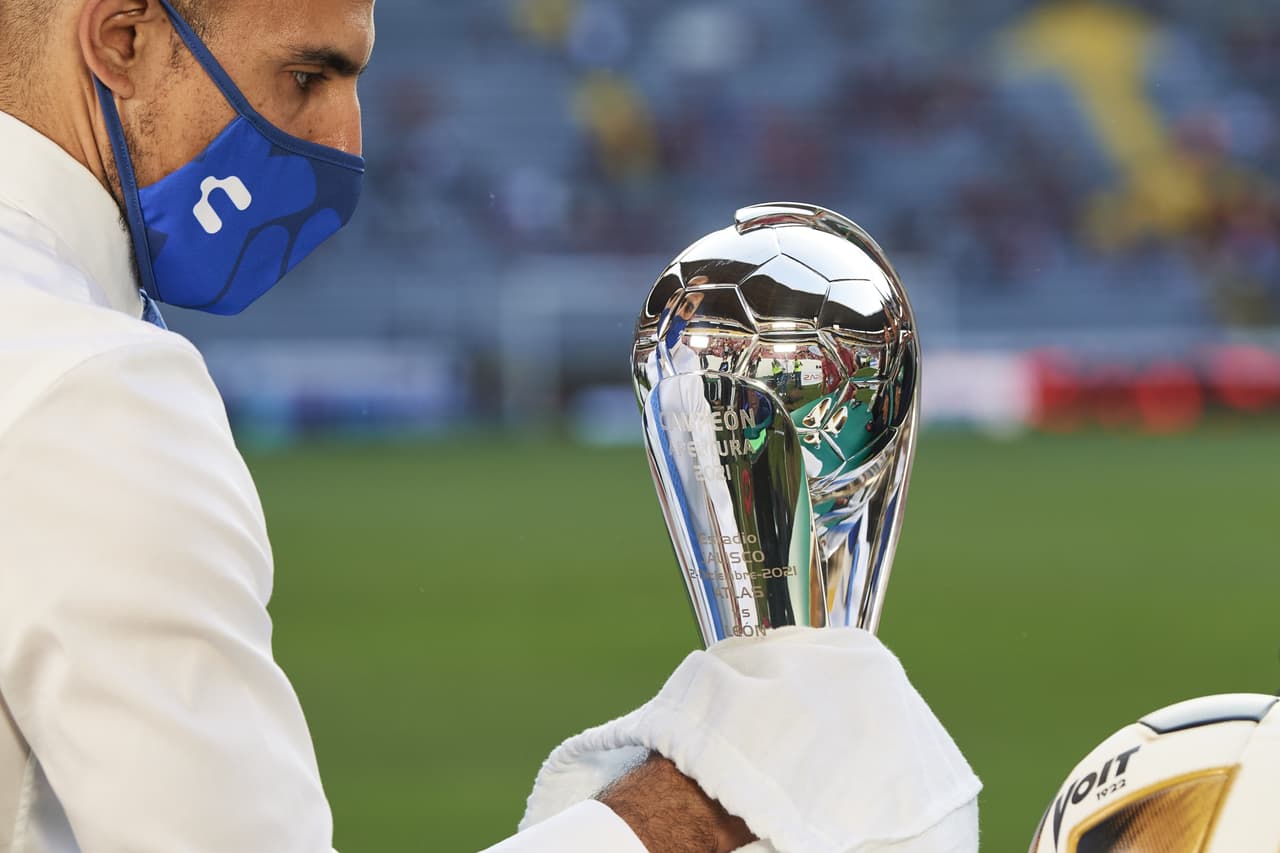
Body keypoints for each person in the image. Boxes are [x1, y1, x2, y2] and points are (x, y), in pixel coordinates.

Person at [0, 1, 980, 850]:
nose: (344, 142)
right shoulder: (89, 387)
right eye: (307, 74)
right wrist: (713, 795)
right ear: (122, 41)